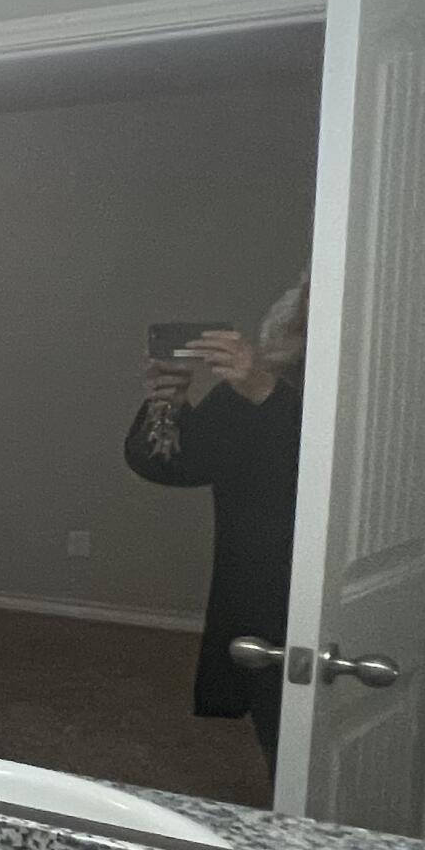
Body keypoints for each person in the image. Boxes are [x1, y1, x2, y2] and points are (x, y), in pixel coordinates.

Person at [123, 279, 306, 776]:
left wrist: (265, 393)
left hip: (317, 583)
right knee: (274, 720)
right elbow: (176, 465)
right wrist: (169, 404)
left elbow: (325, 474)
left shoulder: (352, 393)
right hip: (257, 584)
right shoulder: (253, 387)